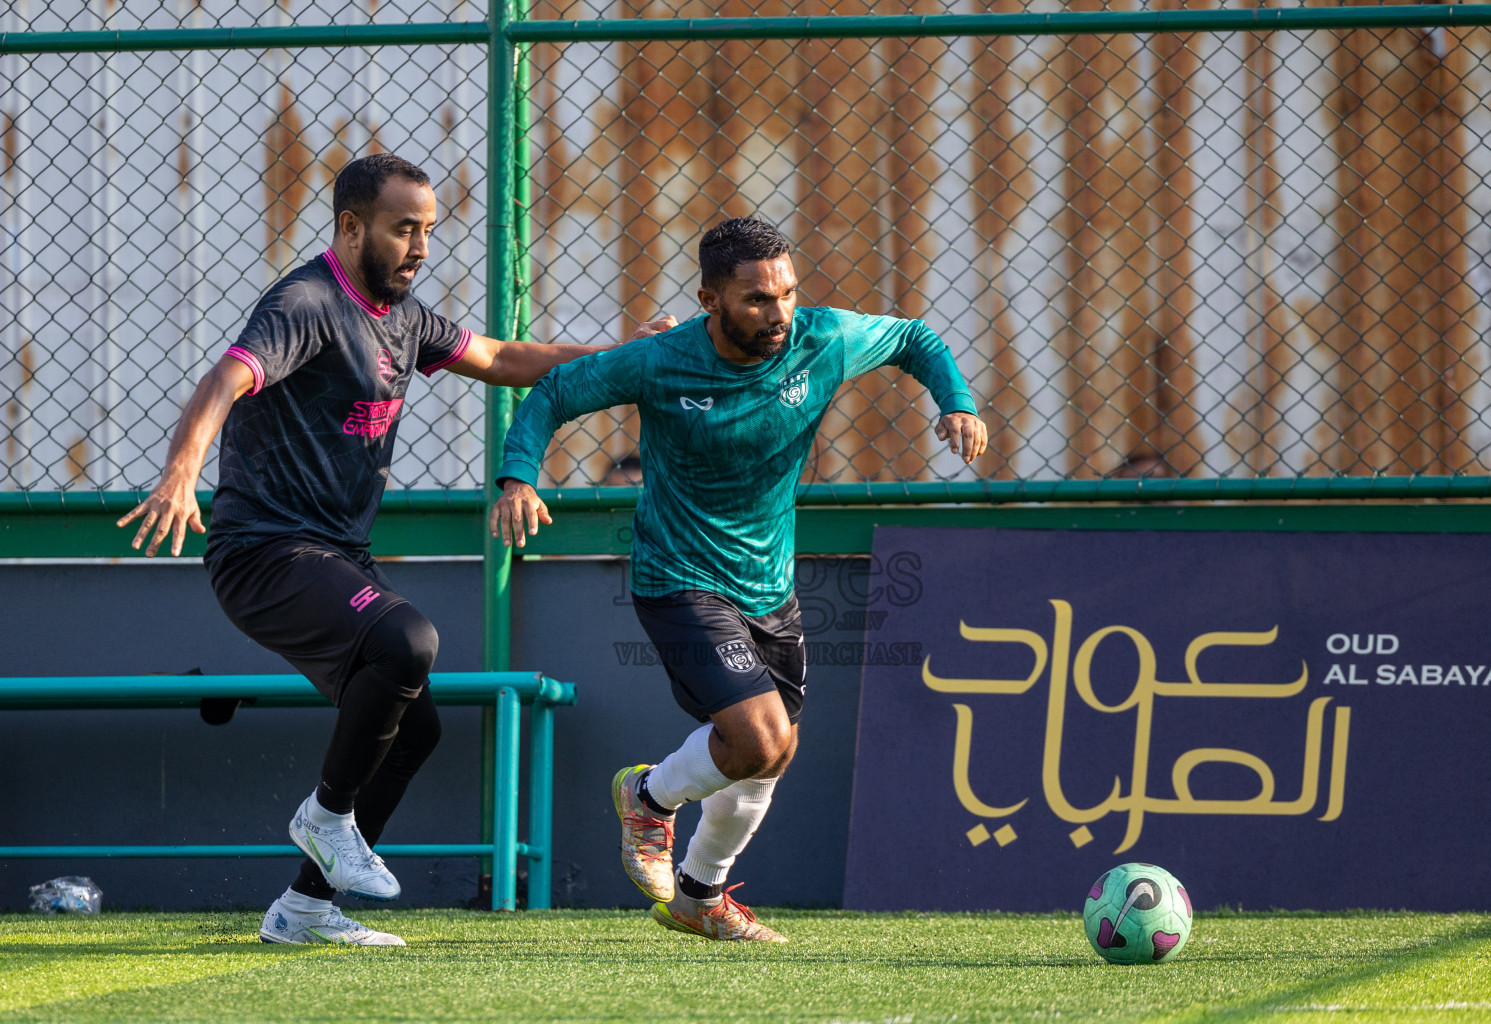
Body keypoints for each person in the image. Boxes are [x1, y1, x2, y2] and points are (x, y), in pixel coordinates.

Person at [117, 152, 673, 947]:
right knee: (409, 639)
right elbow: (225, 379)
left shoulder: (404, 316)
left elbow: (506, 360)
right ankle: (326, 815)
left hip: (336, 553)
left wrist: (625, 359)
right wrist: (180, 474)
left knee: (416, 729)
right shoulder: (305, 303)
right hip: (264, 552)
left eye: (429, 231)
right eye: (402, 229)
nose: (419, 246)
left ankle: (304, 909)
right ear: (350, 227)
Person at [490, 215, 987, 942]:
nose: (778, 311)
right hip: (679, 575)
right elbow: (554, 393)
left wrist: (958, 401)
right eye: (756, 299)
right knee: (757, 739)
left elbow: (915, 337)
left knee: (772, 752)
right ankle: (649, 799)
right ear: (710, 300)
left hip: (768, 587)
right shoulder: (661, 360)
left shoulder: (821, 339)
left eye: (786, 292)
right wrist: (517, 478)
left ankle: (698, 896)